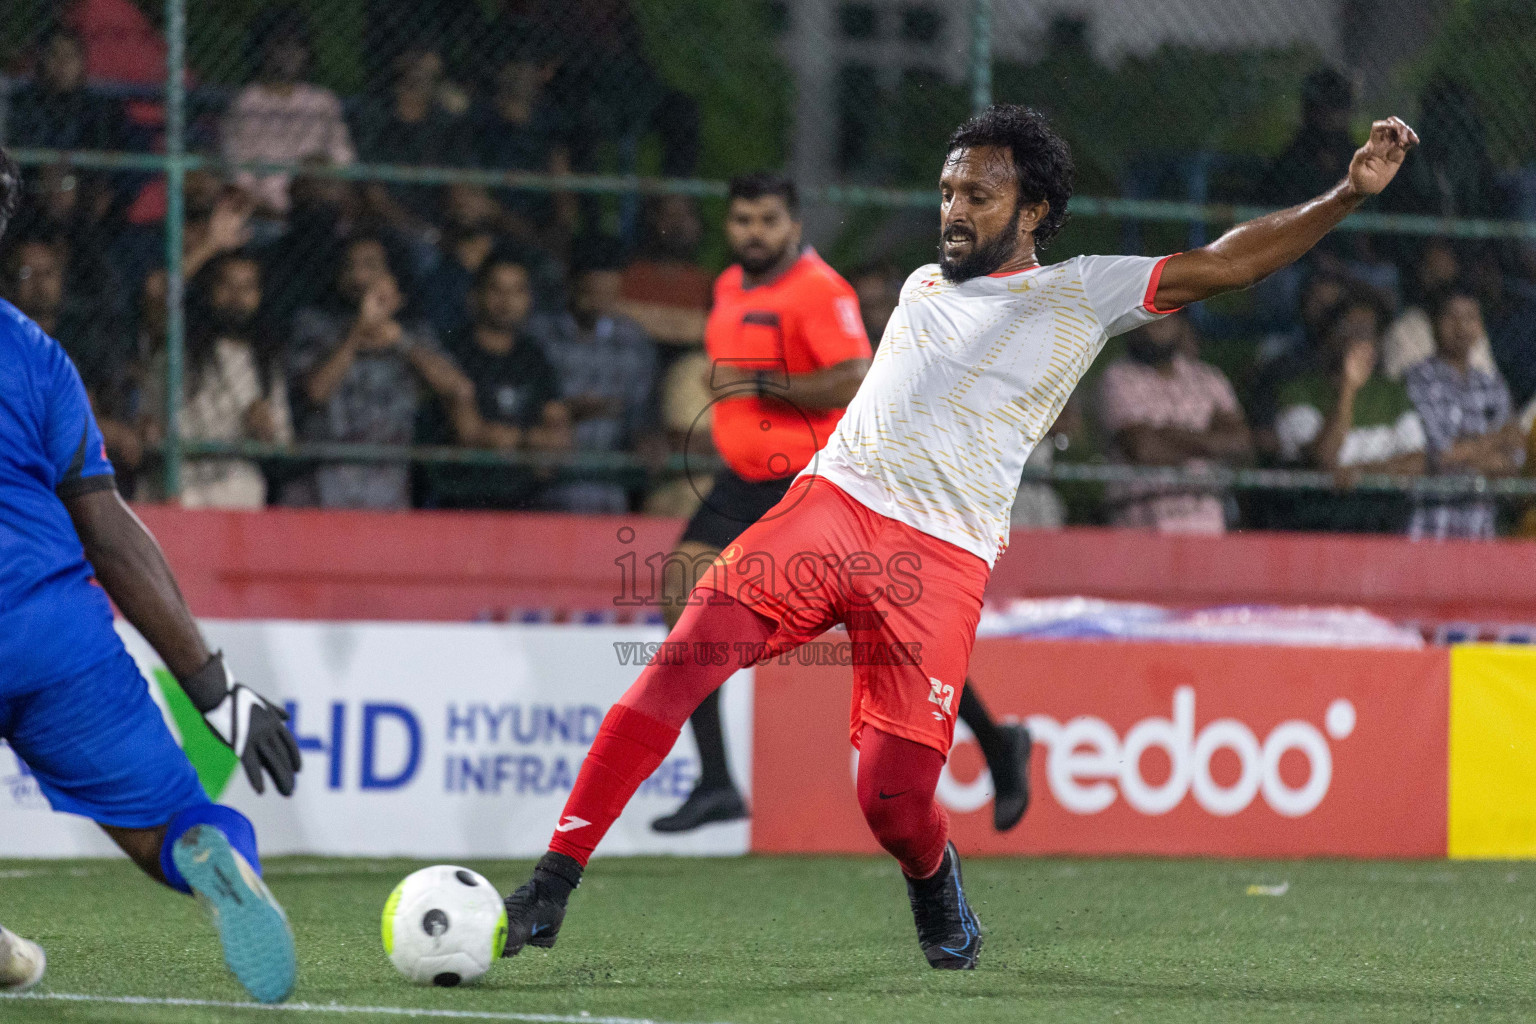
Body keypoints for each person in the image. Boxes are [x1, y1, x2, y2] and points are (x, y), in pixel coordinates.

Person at [495, 104, 1420, 970]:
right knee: (680, 658)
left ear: (1035, 209)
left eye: (977, 195)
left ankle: (934, 878)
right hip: (831, 510)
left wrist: (1345, 195)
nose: (954, 209)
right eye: (947, 192)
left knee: (891, 800)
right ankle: (551, 882)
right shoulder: (920, 285)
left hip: (939, 560)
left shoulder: (1082, 292)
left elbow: (1230, 264)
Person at [0, 147, 301, 1003]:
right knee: (171, 826)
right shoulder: (36, 355)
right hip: (62, 640)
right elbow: (109, 528)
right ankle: (218, 857)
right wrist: (217, 691)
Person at [285, 233, 475, 509]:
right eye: (349, 267)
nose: (358, 275)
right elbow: (315, 392)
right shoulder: (314, 324)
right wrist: (355, 335)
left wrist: (400, 340)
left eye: (370, 266)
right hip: (320, 487)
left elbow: (458, 389)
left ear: (393, 277)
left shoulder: (413, 332)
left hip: (388, 489)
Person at [138, 251, 292, 508]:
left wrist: (265, 429)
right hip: (179, 478)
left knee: (249, 487)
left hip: (237, 482)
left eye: (247, 287)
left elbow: (283, 442)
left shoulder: (265, 360)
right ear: (208, 290)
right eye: (227, 285)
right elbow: (156, 297)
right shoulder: (176, 345)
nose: (236, 297)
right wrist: (210, 243)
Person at [425, 253, 570, 510]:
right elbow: (469, 433)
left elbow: (558, 432)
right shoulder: (453, 350)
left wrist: (523, 439)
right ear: (476, 295)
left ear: (529, 299)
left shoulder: (534, 356)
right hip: (460, 500)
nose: (507, 301)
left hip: (526, 501)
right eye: (497, 289)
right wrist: (528, 441)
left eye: (517, 291)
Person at [1274, 296, 1426, 532]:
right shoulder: (1298, 391)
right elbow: (1324, 459)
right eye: (1351, 330)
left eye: (1368, 332)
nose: (1359, 340)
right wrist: (1348, 388)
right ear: (1328, 336)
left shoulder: (1393, 393)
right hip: (1319, 521)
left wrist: (1359, 474)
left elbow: (1418, 460)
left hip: (1382, 520)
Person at [529, 241, 658, 513]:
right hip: (546, 484)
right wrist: (568, 411)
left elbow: (642, 416)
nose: (599, 301)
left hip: (609, 486)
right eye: (591, 292)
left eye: (607, 294)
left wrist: (646, 438)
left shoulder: (634, 342)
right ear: (572, 285)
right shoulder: (540, 336)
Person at [1097, 312, 1252, 533]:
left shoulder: (1209, 378)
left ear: (1182, 323)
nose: (1159, 325)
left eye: (1168, 315)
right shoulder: (1117, 377)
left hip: (1207, 527)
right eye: (1150, 317)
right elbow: (1144, 450)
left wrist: (1166, 434)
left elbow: (1240, 444)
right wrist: (1208, 442)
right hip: (1139, 526)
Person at [1405, 287, 1523, 539]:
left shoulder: (1492, 383)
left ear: (1479, 325)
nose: (1461, 327)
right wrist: (1495, 441)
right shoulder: (1418, 379)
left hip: (1481, 533)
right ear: (1434, 323)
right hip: (1430, 529)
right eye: (1452, 317)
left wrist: (1467, 451)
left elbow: (1513, 460)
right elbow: (1439, 456)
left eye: (1469, 317)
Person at [221, 14, 355, 219]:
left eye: (296, 46)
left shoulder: (322, 102)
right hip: (262, 211)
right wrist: (268, 211)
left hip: (318, 208)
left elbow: (343, 161)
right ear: (262, 50)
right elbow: (239, 176)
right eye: (280, 45)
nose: (288, 54)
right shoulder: (245, 104)